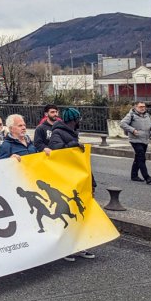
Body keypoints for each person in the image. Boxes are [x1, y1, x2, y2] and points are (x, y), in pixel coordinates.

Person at [48, 108, 96, 262]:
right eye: (78, 119)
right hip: (67, 179)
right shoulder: (58, 133)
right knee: (68, 215)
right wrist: (73, 144)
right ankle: (66, 248)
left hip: (78, 177)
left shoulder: (70, 132)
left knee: (80, 215)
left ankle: (80, 245)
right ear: (74, 120)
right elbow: (57, 152)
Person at [120, 101, 151, 184]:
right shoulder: (131, 115)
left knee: (138, 158)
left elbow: (150, 126)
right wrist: (133, 130)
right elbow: (122, 124)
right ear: (135, 107)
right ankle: (147, 177)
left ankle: (134, 176)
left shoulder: (148, 115)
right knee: (141, 158)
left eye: (144, 106)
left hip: (145, 139)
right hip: (135, 140)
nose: (143, 108)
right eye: (140, 106)